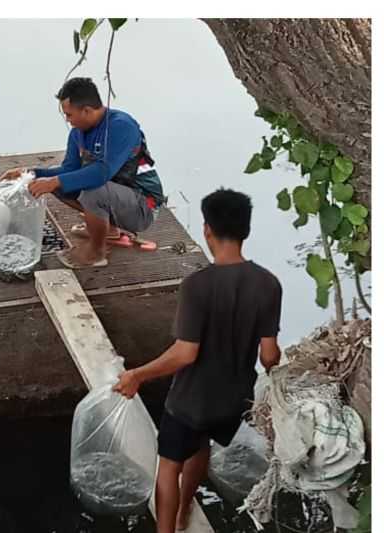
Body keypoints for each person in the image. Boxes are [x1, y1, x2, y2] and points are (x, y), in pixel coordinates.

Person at [113, 188, 283, 533]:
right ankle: (185, 508)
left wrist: (137, 375)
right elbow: (269, 355)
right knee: (202, 443)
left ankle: (167, 529)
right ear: (245, 230)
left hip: (192, 399)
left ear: (207, 229)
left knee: (169, 464)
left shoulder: (198, 285)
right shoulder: (269, 284)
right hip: (234, 399)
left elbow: (184, 353)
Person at [0, 77, 165, 268]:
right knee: (56, 180)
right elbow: (69, 169)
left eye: (69, 115)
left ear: (86, 110)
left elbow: (102, 173)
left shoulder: (121, 127)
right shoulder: (77, 133)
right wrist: (31, 173)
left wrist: (54, 181)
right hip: (116, 196)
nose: (68, 121)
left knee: (92, 190)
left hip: (142, 206)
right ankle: (109, 230)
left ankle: (96, 252)